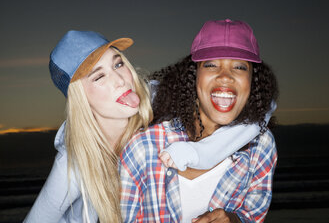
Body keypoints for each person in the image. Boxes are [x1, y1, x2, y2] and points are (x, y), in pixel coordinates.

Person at [120, 19, 279, 222]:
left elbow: (253, 215)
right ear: (194, 76)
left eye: (239, 67)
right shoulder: (144, 145)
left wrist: (235, 219)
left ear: (252, 81)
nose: (225, 76)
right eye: (211, 65)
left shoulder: (261, 146)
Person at [24, 30, 153, 223]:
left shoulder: (164, 107)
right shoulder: (73, 165)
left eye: (118, 64)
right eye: (99, 77)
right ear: (80, 99)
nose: (120, 80)